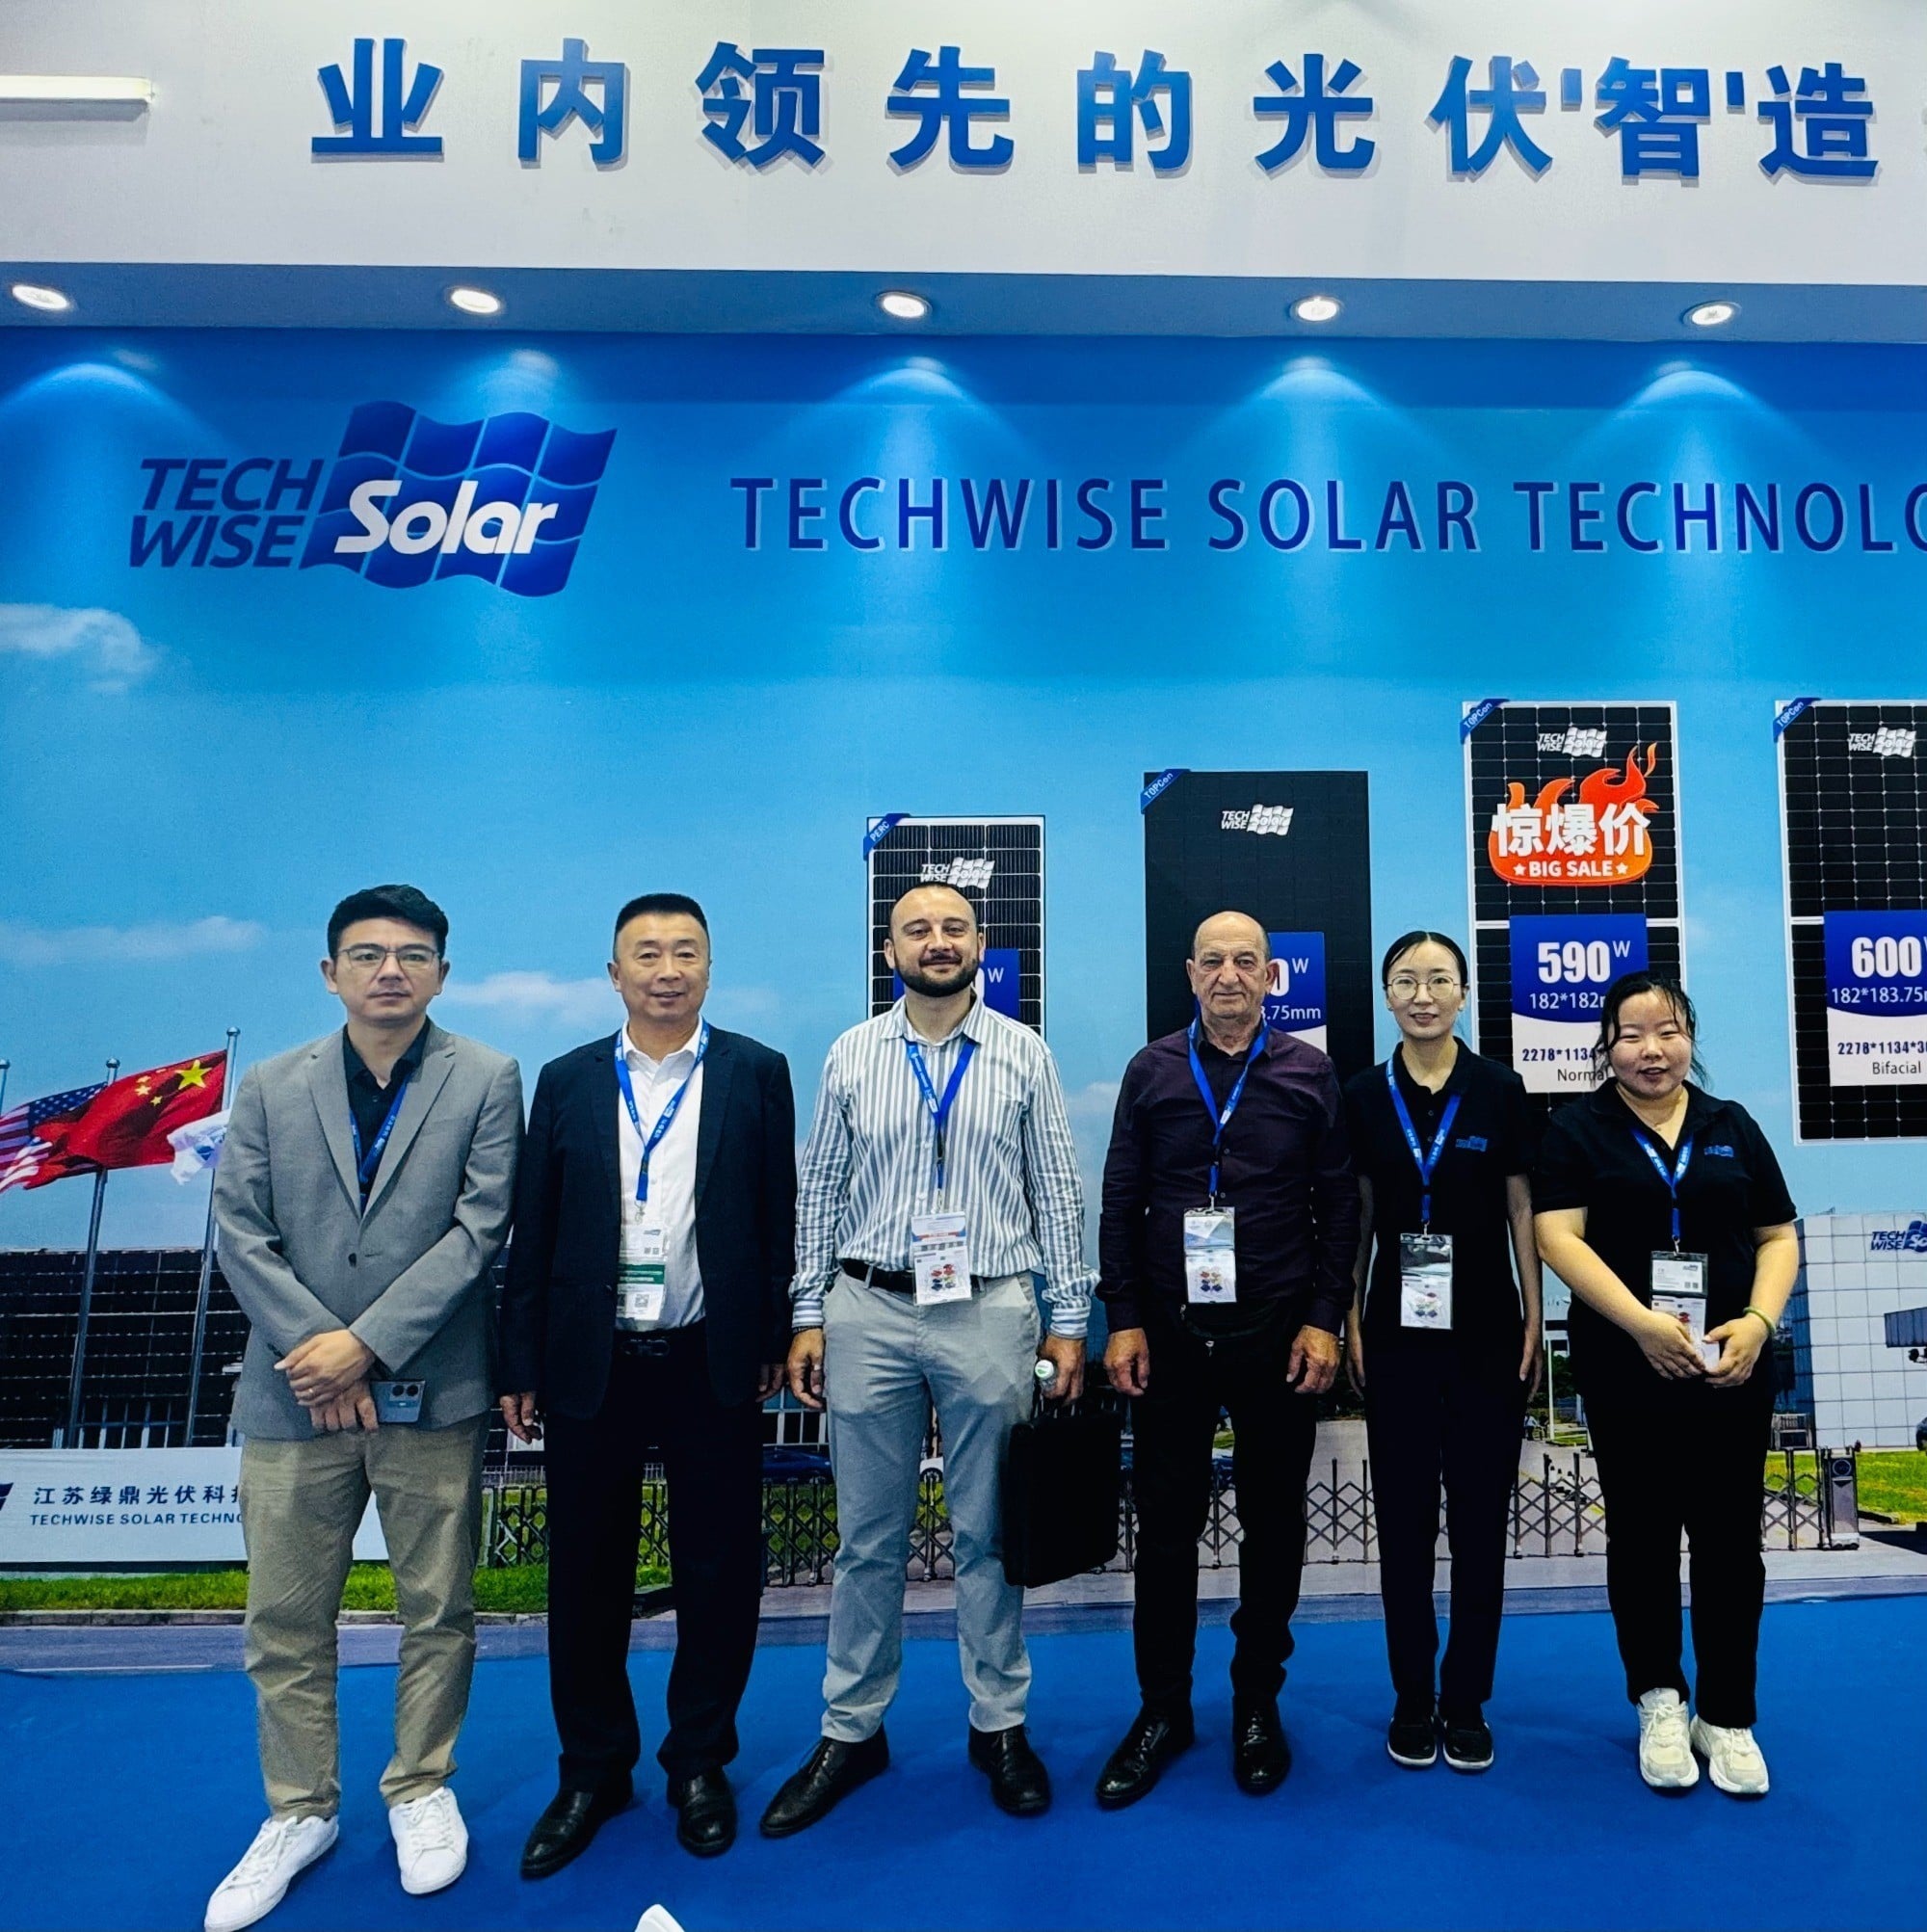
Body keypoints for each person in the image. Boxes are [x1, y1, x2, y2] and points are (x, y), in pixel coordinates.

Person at [206, 886, 523, 1932]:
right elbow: (240, 1229)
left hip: (432, 1388)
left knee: (438, 1606)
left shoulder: (487, 1077)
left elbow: (479, 1231)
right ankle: (298, 1809)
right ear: (330, 971)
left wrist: (369, 1344)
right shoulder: (270, 1084)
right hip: (293, 1391)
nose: (391, 970)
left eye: (413, 954)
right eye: (368, 953)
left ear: (442, 971)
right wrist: (322, 1351)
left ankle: (421, 1786)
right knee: (285, 1617)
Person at [761, 883, 1091, 1835]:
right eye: (917, 929)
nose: (936, 942)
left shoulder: (1023, 1053)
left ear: (980, 944)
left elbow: (1056, 1192)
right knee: (868, 1538)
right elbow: (820, 1190)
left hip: (989, 1306)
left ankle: (999, 1723)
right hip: (867, 1306)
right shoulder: (852, 1053)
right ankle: (851, 1728)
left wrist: (1069, 1319)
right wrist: (807, 1312)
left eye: (953, 928)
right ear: (890, 949)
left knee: (990, 1531)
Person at [498, 893, 795, 1873]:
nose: (667, 969)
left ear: (709, 966)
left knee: (719, 1569)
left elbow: (777, 1215)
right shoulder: (568, 1079)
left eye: (686, 952)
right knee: (586, 1572)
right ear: (614, 972)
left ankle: (699, 1762)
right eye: (647, 953)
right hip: (593, 1363)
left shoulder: (756, 1070)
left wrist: (773, 1334)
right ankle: (591, 1769)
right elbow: (533, 1229)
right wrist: (521, 1360)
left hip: (712, 1358)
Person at [1095, 912, 1359, 1807]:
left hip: (1278, 1334)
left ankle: (1256, 1703)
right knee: (1165, 1529)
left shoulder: (1309, 1073)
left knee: (1273, 1526)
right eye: (1213, 960)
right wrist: (1123, 1320)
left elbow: (1339, 1207)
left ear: (1272, 976)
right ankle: (1163, 1708)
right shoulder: (1151, 1070)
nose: (1229, 974)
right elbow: (1121, 1199)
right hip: (1169, 1336)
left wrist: (1324, 1319)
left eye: (1247, 960)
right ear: (1190, 973)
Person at [1534, 973, 1797, 1799]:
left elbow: (1777, 1235)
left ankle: (1727, 1714)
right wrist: (1642, 1324)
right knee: (1642, 1539)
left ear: (1690, 1037)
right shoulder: (1575, 1128)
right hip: (1628, 1369)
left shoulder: (1731, 1124)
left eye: (1669, 1031)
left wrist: (1758, 1320)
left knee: (1731, 1545)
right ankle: (1659, 1698)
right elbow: (1556, 1237)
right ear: (1606, 1045)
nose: (1652, 1050)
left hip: (1730, 1371)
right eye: (1632, 1034)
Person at [1342, 931, 1542, 1774]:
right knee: (1404, 1525)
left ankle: (1466, 1699)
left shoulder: (1500, 1089)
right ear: (1387, 994)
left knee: (1481, 1524)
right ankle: (1412, 1698)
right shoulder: (1362, 1093)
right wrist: (1350, 1315)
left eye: (1439, 979)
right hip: (1393, 1334)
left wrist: (1536, 1314)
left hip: (1489, 1333)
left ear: (1463, 992)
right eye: (1406, 980)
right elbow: (1357, 1212)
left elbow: (1522, 1206)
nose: (1422, 994)